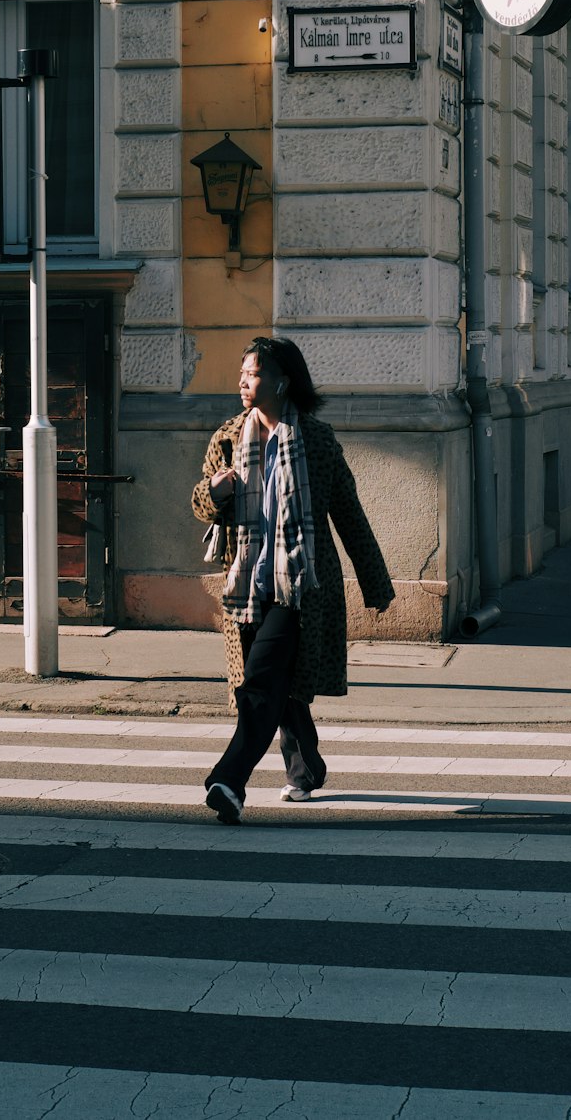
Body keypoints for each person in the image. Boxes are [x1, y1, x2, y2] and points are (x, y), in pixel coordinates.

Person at [191, 335, 394, 824]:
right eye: (242, 373)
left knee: (260, 685)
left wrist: (376, 582)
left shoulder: (317, 441)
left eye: (254, 373)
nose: (244, 381)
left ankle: (228, 780)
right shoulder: (226, 439)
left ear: (282, 381)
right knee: (277, 687)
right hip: (244, 586)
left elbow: (348, 512)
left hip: (298, 586)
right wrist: (214, 491)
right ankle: (307, 768)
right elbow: (200, 506)